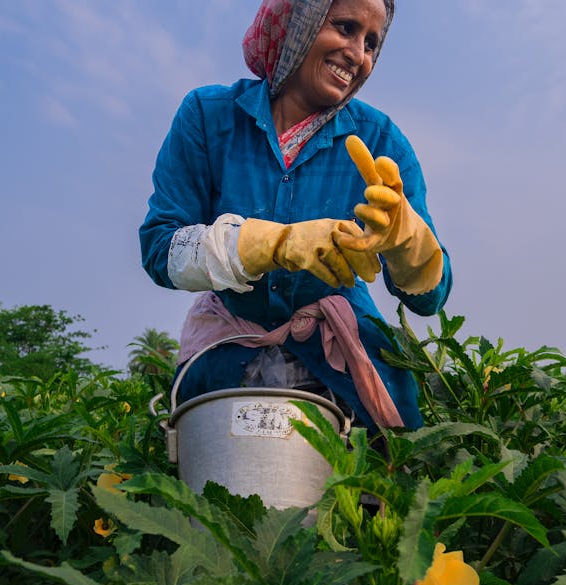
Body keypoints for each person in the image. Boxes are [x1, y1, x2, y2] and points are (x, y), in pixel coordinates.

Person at [140, 0, 451, 431]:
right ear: (295, 22)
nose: (357, 54)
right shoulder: (209, 117)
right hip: (226, 359)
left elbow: (431, 299)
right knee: (222, 468)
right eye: (345, 27)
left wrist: (408, 244)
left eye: (371, 44)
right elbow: (161, 249)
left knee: (367, 471)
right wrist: (266, 245)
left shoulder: (381, 141)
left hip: (344, 371)